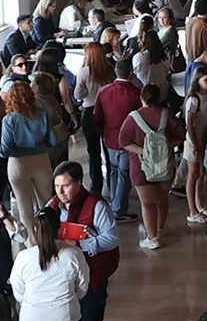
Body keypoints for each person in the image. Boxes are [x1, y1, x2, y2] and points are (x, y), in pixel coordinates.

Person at [46, 162, 118, 321]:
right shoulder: (52, 207)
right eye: (57, 186)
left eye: (65, 185)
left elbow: (111, 238)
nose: (60, 191)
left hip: (92, 278)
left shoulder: (97, 206)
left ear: (78, 183)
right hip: (64, 280)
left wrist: (83, 244)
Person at [118, 83, 184, 249]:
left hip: (140, 166)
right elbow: (181, 135)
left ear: (142, 98)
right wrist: (165, 147)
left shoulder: (133, 118)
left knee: (147, 203)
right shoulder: (166, 114)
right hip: (164, 164)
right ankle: (161, 228)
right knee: (162, 198)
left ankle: (151, 238)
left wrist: (145, 151)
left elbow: (123, 141)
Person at [0, 81, 58, 234]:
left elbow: (5, 150)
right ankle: (49, 239)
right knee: (47, 205)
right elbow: (53, 141)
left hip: (18, 164)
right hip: (41, 161)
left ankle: (32, 245)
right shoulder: (42, 114)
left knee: (25, 209)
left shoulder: (9, 119)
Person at [93, 59, 142, 224]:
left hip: (109, 137)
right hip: (128, 140)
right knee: (124, 174)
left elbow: (97, 116)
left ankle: (114, 202)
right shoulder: (136, 92)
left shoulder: (103, 91)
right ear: (131, 72)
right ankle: (119, 209)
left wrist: (103, 133)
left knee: (113, 171)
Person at [71, 42, 115, 198]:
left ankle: (96, 187)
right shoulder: (109, 69)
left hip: (90, 112)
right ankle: (113, 183)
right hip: (108, 111)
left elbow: (78, 95)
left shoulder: (84, 72)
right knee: (109, 149)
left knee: (93, 151)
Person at [181, 66, 207, 225]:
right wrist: (195, 142)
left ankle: (199, 204)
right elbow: (189, 123)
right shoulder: (193, 99)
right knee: (193, 174)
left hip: (205, 138)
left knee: (201, 173)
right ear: (197, 81)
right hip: (194, 140)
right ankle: (191, 210)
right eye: (205, 80)